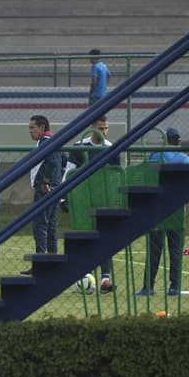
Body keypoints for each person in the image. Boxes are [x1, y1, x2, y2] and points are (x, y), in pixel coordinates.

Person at [66, 115, 118, 292]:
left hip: (103, 199)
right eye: (100, 128)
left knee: (105, 238)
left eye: (106, 128)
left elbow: (115, 175)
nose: (103, 131)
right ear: (91, 127)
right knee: (85, 239)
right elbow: (69, 173)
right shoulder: (79, 147)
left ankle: (105, 279)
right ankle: (84, 275)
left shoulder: (110, 148)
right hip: (82, 200)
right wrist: (64, 197)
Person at [139, 127, 189, 296]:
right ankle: (174, 286)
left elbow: (147, 178)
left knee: (154, 248)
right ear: (177, 140)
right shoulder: (185, 158)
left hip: (157, 207)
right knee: (175, 249)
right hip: (177, 207)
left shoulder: (156, 155)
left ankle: (148, 286)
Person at [27, 114, 63, 265]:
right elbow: (63, 161)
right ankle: (52, 259)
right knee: (51, 224)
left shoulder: (46, 142)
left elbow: (53, 162)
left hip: (45, 188)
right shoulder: (52, 141)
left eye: (32, 127)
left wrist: (45, 181)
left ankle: (41, 261)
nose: (30, 131)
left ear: (42, 127)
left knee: (40, 224)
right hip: (54, 187)